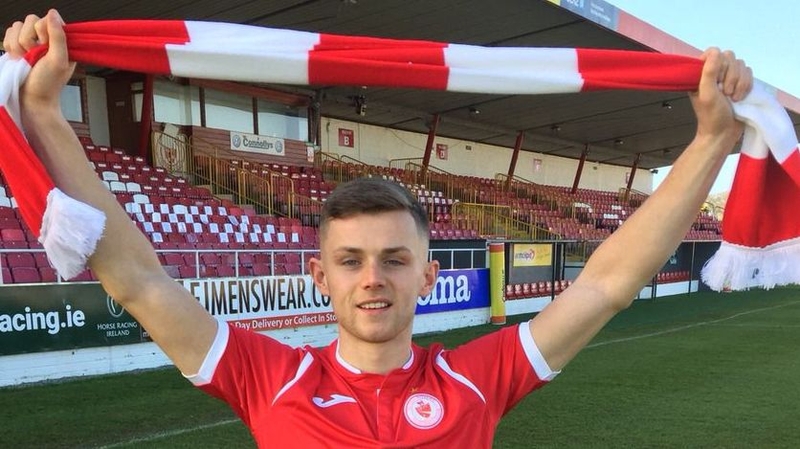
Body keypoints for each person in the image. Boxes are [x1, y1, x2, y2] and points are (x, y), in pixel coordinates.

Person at [4, 9, 752, 448]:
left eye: (395, 258)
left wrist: (712, 142)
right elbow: (138, 279)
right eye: (352, 259)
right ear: (319, 275)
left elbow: (606, 282)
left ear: (429, 272)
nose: (373, 277)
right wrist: (44, 114)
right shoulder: (271, 377)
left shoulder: (472, 380)